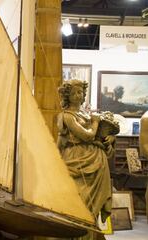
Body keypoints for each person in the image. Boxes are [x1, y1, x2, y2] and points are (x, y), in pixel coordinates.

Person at [57, 80, 116, 239]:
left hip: (96, 163)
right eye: (74, 92)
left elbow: (97, 136)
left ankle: (89, 234)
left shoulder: (85, 114)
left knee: (93, 207)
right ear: (67, 95)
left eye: (80, 92)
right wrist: (95, 121)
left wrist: (109, 139)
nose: (78, 95)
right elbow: (87, 135)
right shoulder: (66, 116)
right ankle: (76, 235)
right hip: (76, 160)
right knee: (78, 202)